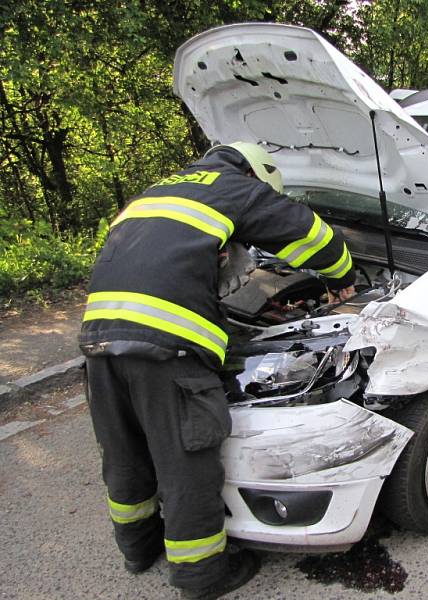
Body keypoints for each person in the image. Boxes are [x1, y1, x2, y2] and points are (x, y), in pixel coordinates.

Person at [79, 141, 356, 598]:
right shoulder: (235, 189)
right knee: (185, 463)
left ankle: (138, 549)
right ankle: (202, 575)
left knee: (125, 453)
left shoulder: (156, 192)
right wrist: (342, 280)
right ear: (256, 175)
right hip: (166, 353)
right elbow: (312, 236)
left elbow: (168, 270)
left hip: (99, 342)